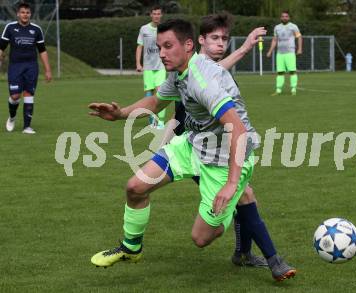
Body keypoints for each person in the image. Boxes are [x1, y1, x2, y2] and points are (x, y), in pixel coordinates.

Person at [89, 18, 296, 281]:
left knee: (201, 238)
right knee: (135, 187)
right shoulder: (178, 72)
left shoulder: (202, 80)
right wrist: (121, 114)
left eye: (167, 46)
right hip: (192, 144)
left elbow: (238, 130)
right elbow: (155, 101)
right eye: (159, 47)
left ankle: (238, 219)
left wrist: (232, 183)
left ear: (188, 46)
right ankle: (131, 249)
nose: (161, 53)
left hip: (224, 158)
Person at [162, 13, 296, 279]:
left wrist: (245, 47)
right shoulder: (191, 75)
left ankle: (248, 255)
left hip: (221, 149)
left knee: (244, 195)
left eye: (224, 38)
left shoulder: (207, 70)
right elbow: (176, 117)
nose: (221, 44)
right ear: (197, 42)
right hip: (201, 153)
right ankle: (271, 260)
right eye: (214, 38)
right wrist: (162, 148)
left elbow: (221, 67)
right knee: (242, 196)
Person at [0, 2, 52, 134]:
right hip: (15, 66)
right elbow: (1, 47)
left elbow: (42, 51)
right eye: (23, 12)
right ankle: (12, 117)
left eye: (27, 12)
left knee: (29, 94)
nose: (25, 15)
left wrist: (48, 70)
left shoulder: (36, 29)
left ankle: (27, 127)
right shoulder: (10, 28)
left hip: (31, 66)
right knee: (15, 96)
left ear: (30, 14)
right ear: (18, 14)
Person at [135, 5, 167, 128]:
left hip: (161, 67)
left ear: (161, 15)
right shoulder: (144, 29)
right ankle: (152, 119)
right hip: (148, 68)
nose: (156, 16)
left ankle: (161, 121)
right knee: (149, 96)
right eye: (154, 13)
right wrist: (138, 63)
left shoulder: (164, 29)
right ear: (150, 15)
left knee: (160, 94)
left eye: (158, 14)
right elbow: (139, 46)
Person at [266, 10, 302, 96]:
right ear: (280, 18)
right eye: (283, 16)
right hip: (280, 53)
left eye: (286, 16)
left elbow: (299, 37)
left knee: (292, 71)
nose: (284, 18)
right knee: (280, 72)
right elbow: (275, 40)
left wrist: (300, 49)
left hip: (290, 52)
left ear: (289, 17)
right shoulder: (277, 27)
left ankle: (293, 89)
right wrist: (270, 51)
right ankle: (278, 90)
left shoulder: (293, 26)